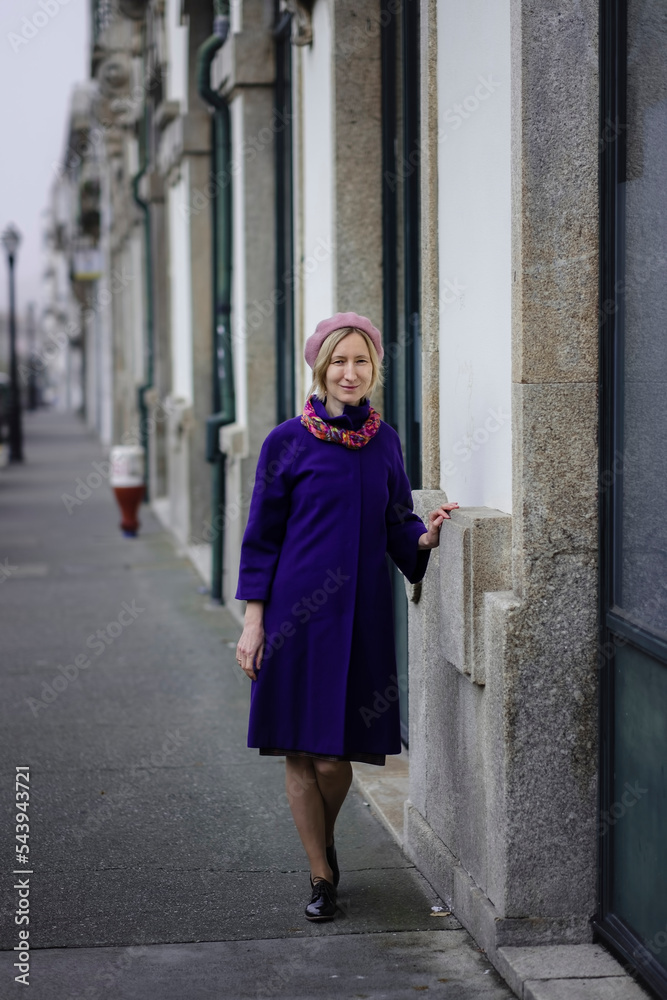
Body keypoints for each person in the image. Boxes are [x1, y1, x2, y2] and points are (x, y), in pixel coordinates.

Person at [235, 311, 458, 922]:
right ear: (320, 368)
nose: (350, 372)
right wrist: (253, 622)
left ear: (374, 369)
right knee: (299, 751)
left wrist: (425, 539)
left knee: (335, 760)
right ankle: (320, 872)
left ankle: (322, 840)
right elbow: (262, 538)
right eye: (339, 361)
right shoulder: (286, 441)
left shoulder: (384, 441)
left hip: (359, 616)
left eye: (361, 361)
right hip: (292, 615)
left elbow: (395, 522)